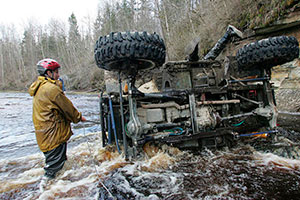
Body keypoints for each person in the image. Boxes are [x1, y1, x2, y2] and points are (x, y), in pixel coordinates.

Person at [28, 58, 86, 191]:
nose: (58, 75)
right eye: (56, 72)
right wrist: (78, 117)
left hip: (45, 135)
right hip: (53, 135)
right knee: (53, 171)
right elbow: (67, 108)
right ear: (48, 73)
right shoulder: (51, 89)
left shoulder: (40, 87)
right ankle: (46, 192)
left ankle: (54, 190)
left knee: (55, 165)